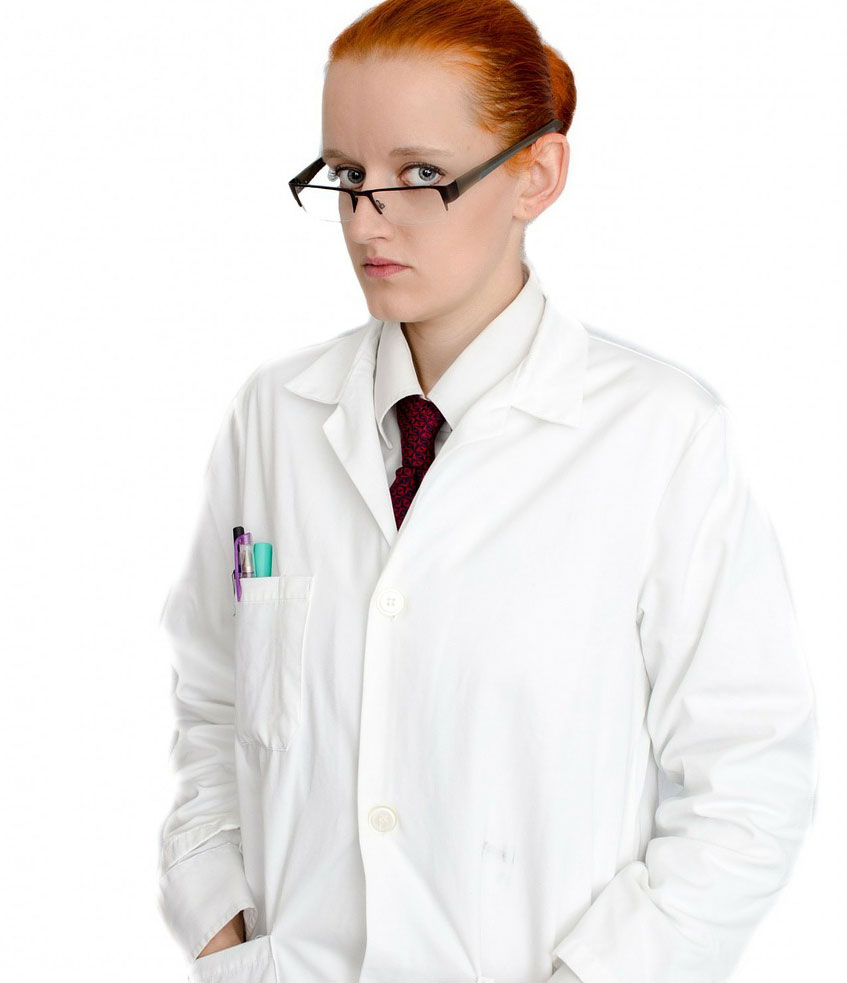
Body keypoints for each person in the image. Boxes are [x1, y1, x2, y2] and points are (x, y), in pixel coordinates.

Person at [156, 2, 819, 981]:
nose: (366, 221)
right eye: (347, 176)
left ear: (535, 175)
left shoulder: (660, 435)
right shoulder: (274, 417)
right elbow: (212, 698)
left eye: (421, 175)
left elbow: (748, 775)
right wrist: (221, 918)